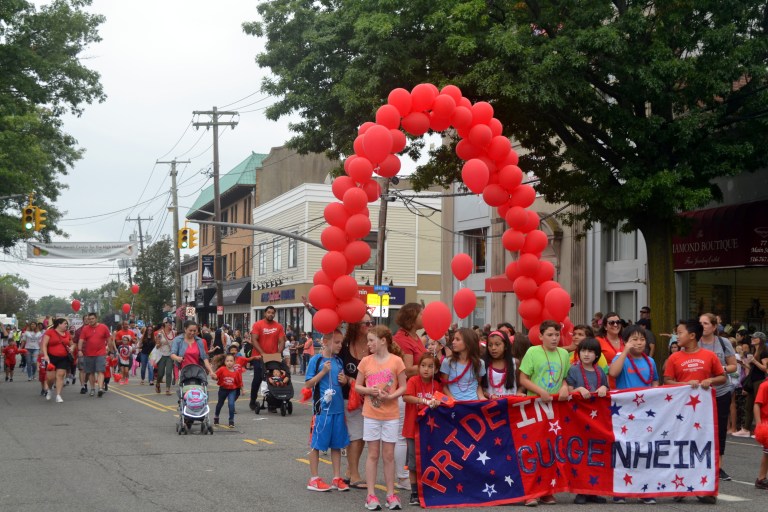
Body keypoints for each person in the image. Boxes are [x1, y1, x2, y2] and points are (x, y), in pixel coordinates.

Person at [664, 319, 725, 505]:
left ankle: (704, 488)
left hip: (704, 414)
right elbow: (667, 380)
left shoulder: (710, 356)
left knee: (703, 447)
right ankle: (680, 486)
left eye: (680, 332)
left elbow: (722, 377)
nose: (677, 336)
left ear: (692, 336)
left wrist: (710, 381)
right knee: (680, 446)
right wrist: (683, 385)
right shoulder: (673, 358)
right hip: (680, 412)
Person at [518, 319, 570, 506]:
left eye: (557, 335)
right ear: (541, 336)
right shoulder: (533, 351)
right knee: (533, 449)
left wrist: (564, 386)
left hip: (555, 408)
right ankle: (530, 493)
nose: (554, 338)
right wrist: (540, 391)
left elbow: (564, 378)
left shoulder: (564, 354)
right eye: (550, 335)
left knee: (551, 449)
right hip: (535, 406)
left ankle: (547, 490)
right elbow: (523, 378)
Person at [355, 325, 407, 511]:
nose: (368, 344)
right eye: (368, 340)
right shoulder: (366, 362)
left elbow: (403, 386)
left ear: (383, 340)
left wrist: (391, 396)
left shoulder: (396, 361)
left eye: (371, 340)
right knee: (373, 454)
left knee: (388, 455)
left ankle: (390, 494)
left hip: (391, 414)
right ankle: (371, 494)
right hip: (371, 414)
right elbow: (357, 386)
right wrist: (370, 391)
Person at [305, 329, 350, 492]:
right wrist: (323, 372)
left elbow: (341, 382)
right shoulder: (316, 361)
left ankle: (336, 477)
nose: (340, 345)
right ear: (325, 342)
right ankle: (314, 478)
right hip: (322, 411)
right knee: (316, 444)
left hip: (338, 410)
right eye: (337, 342)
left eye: (341, 342)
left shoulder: (338, 361)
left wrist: (344, 381)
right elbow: (308, 384)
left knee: (337, 445)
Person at [566, 336, 609, 505]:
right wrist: (578, 389)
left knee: (595, 454)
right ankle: (580, 491)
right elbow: (569, 389)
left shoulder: (600, 372)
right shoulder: (574, 370)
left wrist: (605, 387)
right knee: (580, 454)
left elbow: (606, 389)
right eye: (583, 350)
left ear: (597, 355)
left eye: (591, 351)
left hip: (597, 419)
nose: (586, 354)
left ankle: (594, 490)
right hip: (578, 419)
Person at [698, 313, 738, 480]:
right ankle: (698, 464)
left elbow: (733, 366)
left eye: (706, 323)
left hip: (720, 391)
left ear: (714, 327)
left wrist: (719, 370)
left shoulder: (723, 342)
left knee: (719, 429)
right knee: (699, 428)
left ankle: (718, 466)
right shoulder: (694, 343)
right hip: (699, 393)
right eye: (700, 323)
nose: (703, 326)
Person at [402, 352, 442, 506]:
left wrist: (438, 401)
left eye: (430, 367)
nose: (426, 369)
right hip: (413, 429)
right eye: (423, 366)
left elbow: (444, 400)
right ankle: (414, 492)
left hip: (430, 431)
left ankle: (426, 490)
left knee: (428, 460)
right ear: (418, 367)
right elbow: (406, 397)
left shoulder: (437, 385)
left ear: (436, 370)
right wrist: (423, 400)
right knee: (413, 462)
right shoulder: (413, 380)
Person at [340, 313, 372, 489]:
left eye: (370, 322)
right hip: (348, 397)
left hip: (368, 396)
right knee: (356, 435)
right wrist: (346, 378)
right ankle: (354, 475)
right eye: (365, 323)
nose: (369, 326)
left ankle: (349, 471)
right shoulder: (345, 345)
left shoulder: (373, 345)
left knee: (362, 437)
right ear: (355, 326)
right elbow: (336, 364)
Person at [249, 305, 285, 411]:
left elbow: (282, 341)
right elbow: (254, 340)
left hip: (273, 358)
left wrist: (278, 353)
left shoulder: (278, 326)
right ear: (265, 313)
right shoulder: (258, 325)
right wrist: (262, 353)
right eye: (269, 312)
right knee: (258, 379)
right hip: (258, 357)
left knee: (272, 380)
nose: (271, 314)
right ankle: (252, 401)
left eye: (272, 313)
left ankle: (272, 404)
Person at [439, 328, 486, 401]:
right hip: (455, 404)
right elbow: (444, 386)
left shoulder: (480, 363)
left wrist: (482, 397)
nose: (453, 342)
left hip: (474, 403)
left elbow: (478, 385)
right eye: (453, 339)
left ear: (468, 342)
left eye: (457, 339)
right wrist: (452, 400)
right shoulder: (447, 362)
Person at [77, 312, 114, 397]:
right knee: (91, 372)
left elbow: (109, 340)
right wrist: (79, 350)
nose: (91, 320)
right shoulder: (85, 329)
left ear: (96, 318)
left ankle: (100, 388)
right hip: (88, 353)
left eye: (92, 319)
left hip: (101, 353)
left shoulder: (103, 327)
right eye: (89, 319)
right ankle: (93, 388)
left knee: (100, 371)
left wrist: (111, 352)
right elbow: (81, 340)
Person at [740, 332, 768, 437]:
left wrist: (754, 361)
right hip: (753, 381)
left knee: (758, 405)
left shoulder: (764, 351)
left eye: (754, 338)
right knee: (749, 405)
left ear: (759, 340)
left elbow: (765, 368)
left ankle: (760, 429)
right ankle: (746, 429)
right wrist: (743, 362)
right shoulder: (754, 351)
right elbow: (752, 368)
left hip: (759, 381)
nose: (752, 339)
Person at [40, 318, 74, 403]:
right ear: (59, 324)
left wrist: (72, 348)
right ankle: (50, 389)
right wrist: (46, 355)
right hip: (51, 357)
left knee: (60, 375)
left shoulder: (67, 333)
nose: (66, 325)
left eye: (67, 324)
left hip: (63, 357)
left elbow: (72, 343)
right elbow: (44, 344)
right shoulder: (50, 332)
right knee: (50, 378)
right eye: (65, 323)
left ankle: (58, 395)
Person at [482, 330, 521, 398]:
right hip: (490, 405)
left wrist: (519, 392)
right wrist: (489, 396)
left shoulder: (515, 363)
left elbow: (521, 384)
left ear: (505, 346)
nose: (493, 348)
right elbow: (479, 387)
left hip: (510, 405)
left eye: (497, 344)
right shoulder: (483, 364)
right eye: (490, 345)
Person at [211, 353, 243, 427]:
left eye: (231, 361)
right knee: (220, 404)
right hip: (223, 389)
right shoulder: (222, 369)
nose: (229, 362)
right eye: (227, 361)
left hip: (232, 390)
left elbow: (239, 382)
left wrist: (242, 389)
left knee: (231, 404)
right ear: (225, 362)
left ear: (234, 362)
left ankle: (231, 420)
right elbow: (216, 377)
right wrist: (213, 376)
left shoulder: (236, 372)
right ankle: (216, 416)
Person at [754, 378, 768, 489]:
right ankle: (761, 478)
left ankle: (761, 479)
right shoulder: (764, 385)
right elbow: (757, 405)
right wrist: (759, 425)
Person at [154, 319, 175, 395]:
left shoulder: (173, 333)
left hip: (170, 355)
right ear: (165, 324)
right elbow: (157, 346)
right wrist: (162, 344)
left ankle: (167, 389)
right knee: (160, 373)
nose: (170, 325)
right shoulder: (160, 334)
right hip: (162, 355)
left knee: (169, 372)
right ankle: (158, 383)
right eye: (168, 323)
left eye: (171, 323)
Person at [115, 320, 136, 386]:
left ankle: (126, 377)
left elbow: (135, 341)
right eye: (125, 324)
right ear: (123, 325)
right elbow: (117, 342)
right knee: (122, 368)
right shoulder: (119, 333)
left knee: (127, 368)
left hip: (129, 352)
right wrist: (123, 340)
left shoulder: (131, 332)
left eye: (127, 324)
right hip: (121, 352)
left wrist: (131, 340)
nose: (126, 325)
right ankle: (122, 378)